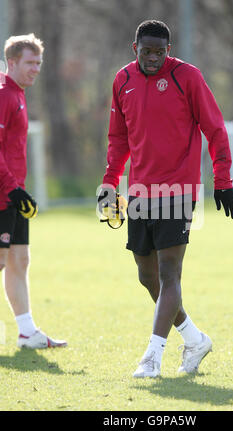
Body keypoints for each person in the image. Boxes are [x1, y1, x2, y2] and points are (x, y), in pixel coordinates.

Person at [98, 20, 233, 377]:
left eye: (160, 52)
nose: (153, 58)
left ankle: (152, 357)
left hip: (179, 189)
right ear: (136, 49)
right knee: (148, 277)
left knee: (169, 273)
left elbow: (215, 128)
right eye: (147, 52)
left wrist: (222, 180)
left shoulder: (187, 77)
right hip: (139, 192)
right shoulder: (122, 80)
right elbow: (118, 139)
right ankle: (194, 338)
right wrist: (110, 182)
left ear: (168, 50)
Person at [0, 34, 67, 349]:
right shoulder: (3, 94)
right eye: (30, 62)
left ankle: (26, 332)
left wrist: (19, 190)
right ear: (11, 62)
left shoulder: (18, 93)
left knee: (20, 259)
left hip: (14, 191)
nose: (36, 69)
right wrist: (11, 189)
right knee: (2, 260)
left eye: (39, 63)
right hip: (3, 193)